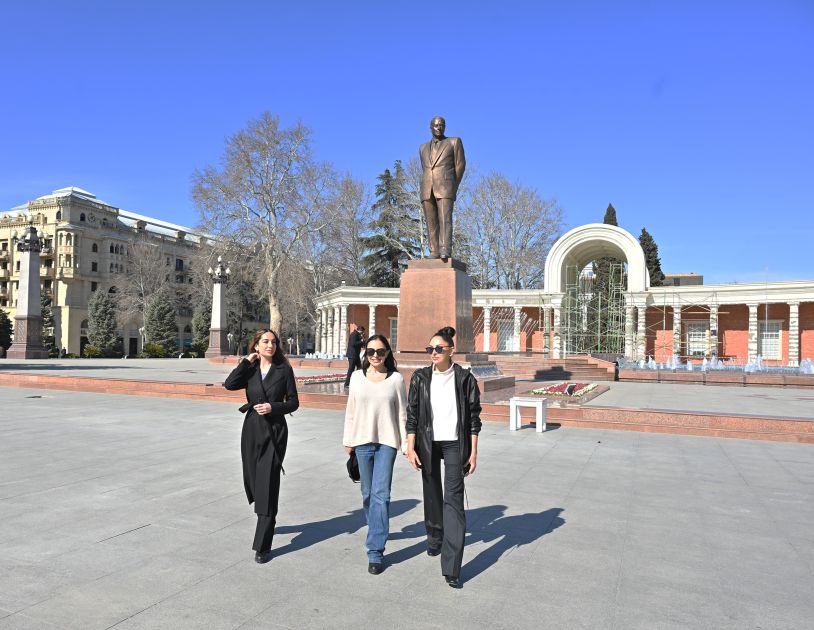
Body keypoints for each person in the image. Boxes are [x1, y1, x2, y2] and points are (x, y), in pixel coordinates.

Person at [406, 326, 481, 588]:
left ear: (451, 350)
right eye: (430, 349)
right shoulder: (420, 378)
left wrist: (473, 451)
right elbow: (412, 414)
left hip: (454, 443)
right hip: (427, 441)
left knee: (454, 500)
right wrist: (410, 445)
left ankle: (451, 567)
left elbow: (474, 418)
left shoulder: (464, 378)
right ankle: (435, 537)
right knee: (432, 492)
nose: (434, 353)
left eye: (438, 348)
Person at [224, 329, 299, 564]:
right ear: (256, 345)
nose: (270, 345)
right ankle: (266, 513)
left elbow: (294, 402)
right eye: (265, 342)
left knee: (267, 483)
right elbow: (229, 384)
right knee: (255, 482)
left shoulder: (283, 370)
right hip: (251, 429)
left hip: (274, 431)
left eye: (274, 342)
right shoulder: (251, 369)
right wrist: (246, 362)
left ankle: (263, 543)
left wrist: (273, 407)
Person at [343, 334, 407, 575]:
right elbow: (351, 411)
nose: (376, 356)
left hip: (387, 443)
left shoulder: (396, 379)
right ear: (365, 354)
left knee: (381, 494)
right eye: (371, 352)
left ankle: (375, 550)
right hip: (361, 442)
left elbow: (403, 412)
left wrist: (406, 445)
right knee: (368, 493)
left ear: (388, 353)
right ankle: (376, 529)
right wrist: (348, 440)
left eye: (380, 352)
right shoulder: (357, 378)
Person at [418, 116, 466, 260]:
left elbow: (460, 165)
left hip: (445, 186)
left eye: (442, 125)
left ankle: (445, 249)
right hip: (427, 187)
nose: (439, 127)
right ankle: (434, 250)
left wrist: (452, 185)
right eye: (436, 125)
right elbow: (425, 168)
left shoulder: (453, 142)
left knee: (445, 219)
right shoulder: (422, 148)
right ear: (430, 127)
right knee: (431, 221)